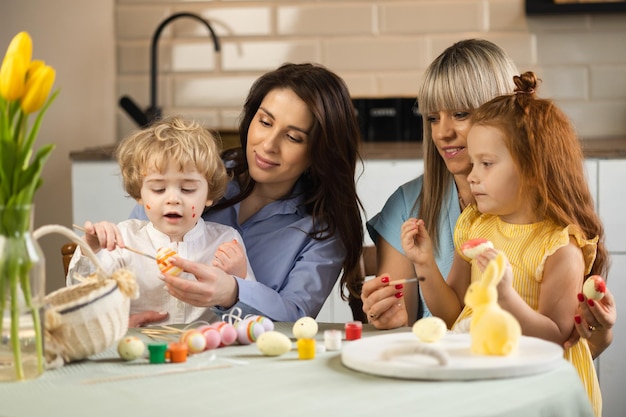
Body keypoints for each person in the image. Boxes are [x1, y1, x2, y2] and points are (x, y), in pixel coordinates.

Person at [360, 39, 615, 358]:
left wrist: (599, 337)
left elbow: (566, 345)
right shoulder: (427, 211)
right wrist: (390, 315)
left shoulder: (555, 237)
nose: (442, 133)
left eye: (461, 113)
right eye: (432, 118)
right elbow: (423, 323)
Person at [400, 71, 605, 416]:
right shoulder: (476, 225)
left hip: (540, 387)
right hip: (490, 374)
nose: (472, 175)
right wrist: (424, 264)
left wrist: (505, 295)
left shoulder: (559, 247)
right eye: (474, 163)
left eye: (486, 164)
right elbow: (452, 311)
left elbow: (555, 337)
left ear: (532, 170)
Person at [130, 63, 364, 323]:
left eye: (293, 137)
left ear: (321, 152)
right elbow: (132, 246)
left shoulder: (322, 231)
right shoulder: (195, 176)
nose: (268, 145)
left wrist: (233, 292)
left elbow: (296, 316)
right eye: (265, 122)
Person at [67, 116, 255, 326]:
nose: (173, 199)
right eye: (158, 189)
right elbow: (81, 300)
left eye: (187, 189)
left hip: (208, 352)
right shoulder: (123, 240)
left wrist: (239, 281)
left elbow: (251, 321)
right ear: (140, 194)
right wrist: (91, 251)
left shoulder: (226, 241)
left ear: (209, 194)